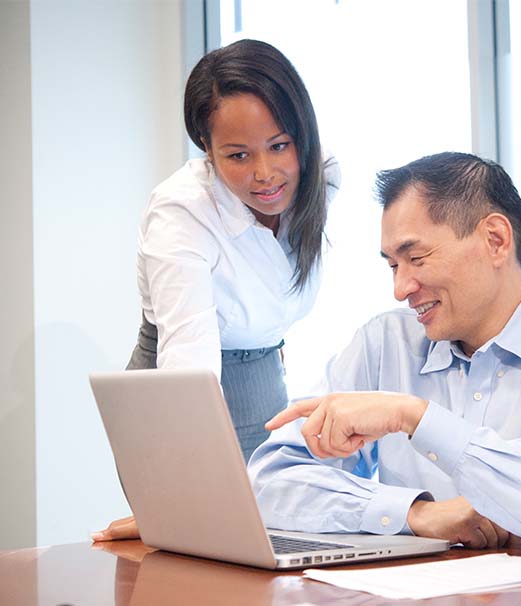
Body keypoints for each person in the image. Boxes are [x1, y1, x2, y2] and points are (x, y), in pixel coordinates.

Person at [248, 152, 521, 558]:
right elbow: (271, 481)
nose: (401, 288)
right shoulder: (384, 342)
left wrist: (414, 418)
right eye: (393, 265)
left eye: (416, 258)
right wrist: (417, 513)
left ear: (496, 240)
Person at [91, 39, 339, 542]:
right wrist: (178, 500)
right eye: (238, 155)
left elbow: (267, 298)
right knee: (203, 552)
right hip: (179, 393)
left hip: (264, 378)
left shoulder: (322, 177)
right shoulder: (181, 214)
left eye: (279, 145)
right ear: (208, 149)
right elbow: (190, 365)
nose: (265, 173)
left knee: (274, 548)